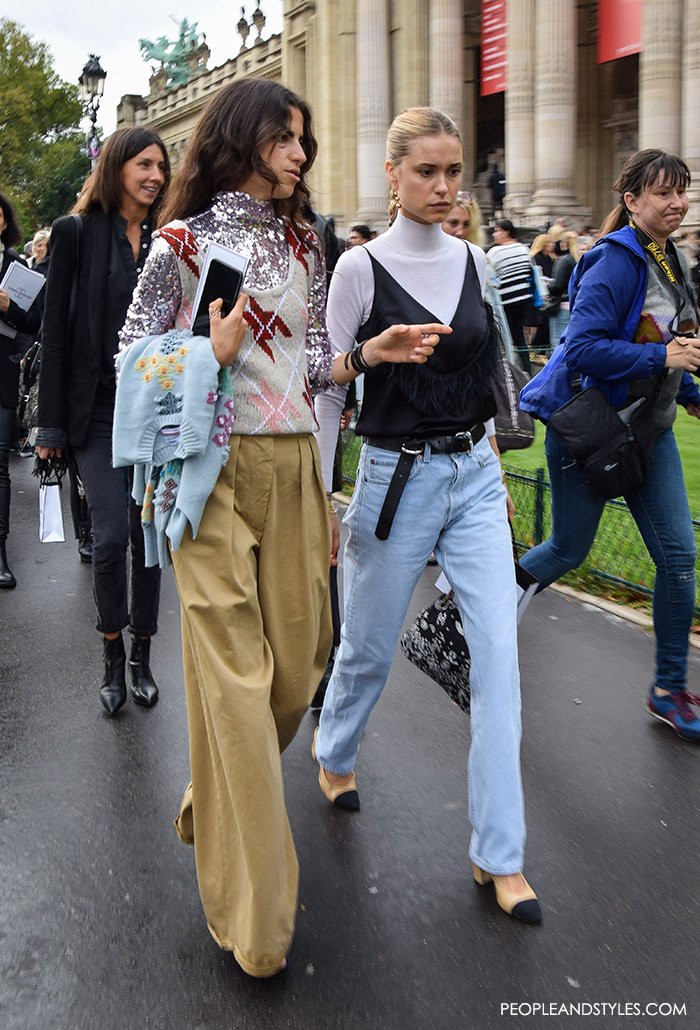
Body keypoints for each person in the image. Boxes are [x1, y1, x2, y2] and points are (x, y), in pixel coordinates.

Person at [118, 77, 442, 978]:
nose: (300, 152)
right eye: (284, 137)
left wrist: (362, 357)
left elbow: (303, 369)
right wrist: (200, 355)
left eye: (304, 138)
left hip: (297, 465)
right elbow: (131, 358)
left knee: (298, 668)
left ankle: (217, 796)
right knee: (233, 680)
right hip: (207, 475)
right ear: (241, 138)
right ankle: (258, 928)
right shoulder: (181, 243)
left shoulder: (306, 238)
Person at [314, 107, 541, 925]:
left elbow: (494, 368)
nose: (445, 187)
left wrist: (494, 465)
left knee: (500, 662)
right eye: (427, 172)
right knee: (367, 649)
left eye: (453, 172)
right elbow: (326, 381)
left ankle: (500, 854)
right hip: (394, 482)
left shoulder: (478, 259)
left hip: (474, 478)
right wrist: (321, 490)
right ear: (393, 174)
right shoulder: (359, 271)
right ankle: (335, 752)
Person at [519, 148, 700, 744]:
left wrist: (687, 384)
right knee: (569, 549)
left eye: (683, 191)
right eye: (664, 193)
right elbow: (584, 348)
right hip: (591, 432)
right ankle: (480, 610)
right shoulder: (614, 262)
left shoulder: (669, 258)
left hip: (649, 433)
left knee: (677, 557)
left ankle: (668, 690)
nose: (677, 203)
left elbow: (661, 339)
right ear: (632, 200)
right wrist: (663, 357)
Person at [35, 127, 170, 714]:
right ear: (116, 167)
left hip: (156, 416)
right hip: (95, 413)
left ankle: (142, 653)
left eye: (162, 167)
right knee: (113, 535)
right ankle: (111, 649)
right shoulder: (75, 234)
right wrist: (50, 427)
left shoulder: (171, 239)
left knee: (150, 540)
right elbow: (55, 334)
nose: (156, 176)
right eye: (144, 164)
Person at [0, 192, 44, 588]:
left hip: (1, 376)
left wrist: (8, 307)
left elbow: (33, 322)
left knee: (0, 469)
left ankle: (1, 552)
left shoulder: (17, 267)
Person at [487, 218, 534, 373]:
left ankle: (508, 370)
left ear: (505, 232)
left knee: (503, 337)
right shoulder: (524, 249)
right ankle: (526, 368)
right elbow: (528, 271)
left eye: (496, 231)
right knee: (519, 336)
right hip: (523, 298)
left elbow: (490, 276)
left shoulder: (494, 252)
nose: (494, 235)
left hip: (505, 300)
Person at [546, 230, 581, 350]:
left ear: (565, 243)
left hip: (562, 304)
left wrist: (546, 286)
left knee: (557, 340)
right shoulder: (580, 259)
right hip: (576, 303)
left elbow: (558, 285)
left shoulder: (563, 260)